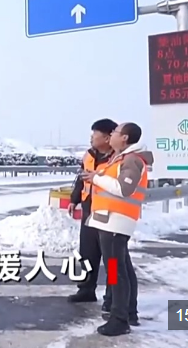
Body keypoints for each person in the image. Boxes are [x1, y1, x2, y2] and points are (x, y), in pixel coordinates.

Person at [80, 122, 153, 337]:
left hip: (115, 221)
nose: (111, 135)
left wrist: (96, 178)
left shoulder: (132, 160)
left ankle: (119, 319)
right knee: (122, 269)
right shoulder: (121, 158)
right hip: (109, 221)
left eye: (115, 132)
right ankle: (127, 312)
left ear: (125, 138)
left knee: (115, 271)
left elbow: (124, 188)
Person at [66, 119, 117, 309]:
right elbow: (81, 179)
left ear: (107, 137)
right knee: (87, 254)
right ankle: (86, 290)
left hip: (110, 215)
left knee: (112, 260)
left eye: (94, 135)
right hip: (89, 212)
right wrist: (74, 200)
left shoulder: (117, 158)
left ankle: (113, 296)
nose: (91, 138)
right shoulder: (88, 155)